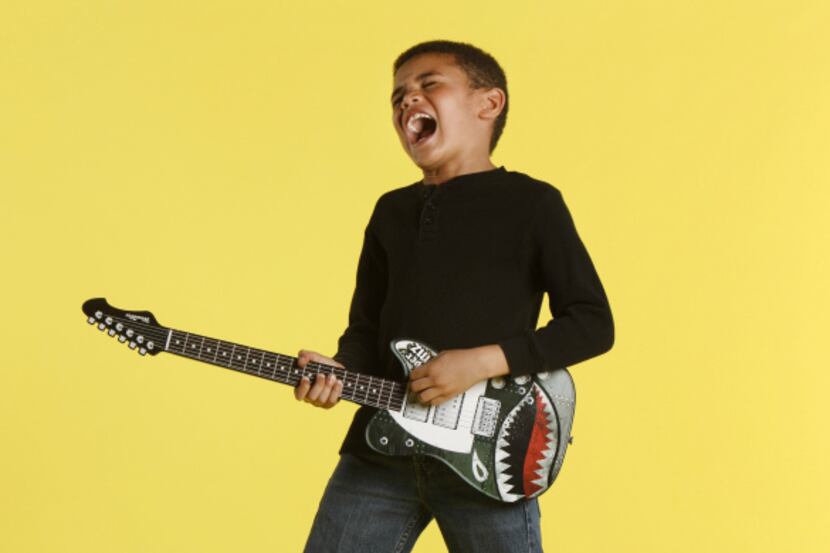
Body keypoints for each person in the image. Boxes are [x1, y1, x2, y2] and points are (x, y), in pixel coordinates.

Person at [294, 39, 615, 553]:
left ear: (488, 104)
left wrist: (480, 362)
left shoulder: (533, 204)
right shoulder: (390, 212)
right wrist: (338, 370)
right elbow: (367, 330)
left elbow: (593, 323)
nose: (406, 101)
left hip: (486, 461)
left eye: (428, 85)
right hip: (378, 452)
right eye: (397, 95)